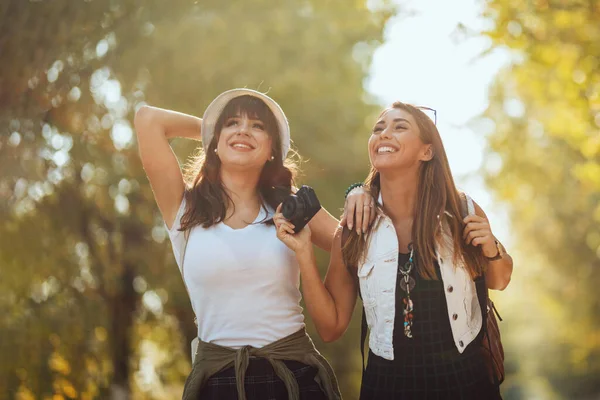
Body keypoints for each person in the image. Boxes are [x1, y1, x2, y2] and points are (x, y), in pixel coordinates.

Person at [134, 88, 372, 400]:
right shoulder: (184, 209)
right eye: (233, 123)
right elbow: (147, 119)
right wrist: (212, 130)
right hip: (216, 382)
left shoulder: (291, 204)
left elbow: (349, 236)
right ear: (214, 142)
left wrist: (359, 192)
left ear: (273, 148)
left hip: (294, 377)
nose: (244, 130)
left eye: (258, 127)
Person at [274, 101, 513, 399]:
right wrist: (304, 254)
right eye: (378, 129)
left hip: (465, 380)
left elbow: (499, 280)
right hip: (387, 384)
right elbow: (330, 328)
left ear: (427, 151)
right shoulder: (352, 229)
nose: (384, 134)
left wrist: (492, 248)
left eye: (400, 127)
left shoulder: (461, 208)